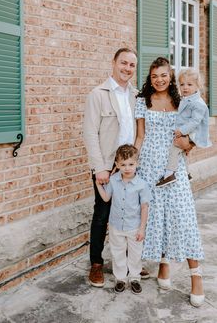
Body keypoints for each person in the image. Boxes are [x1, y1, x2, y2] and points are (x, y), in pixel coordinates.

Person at [134, 57, 205, 307]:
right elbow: (140, 136)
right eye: (154, 76)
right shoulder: (142, 101)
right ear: (149, 78)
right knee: (157, 217)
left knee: (182, 217)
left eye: (163, 75)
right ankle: (163, 264)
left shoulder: (183, 101)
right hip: (149, 168)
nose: (159, 80)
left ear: (170, 76)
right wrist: (132, 165)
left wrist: (190, 144)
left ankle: (196, 277)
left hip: (174, 168)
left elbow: (197, 128)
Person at [83, 48, 149, 287]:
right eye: (124, 63)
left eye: (132, 65)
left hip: (129, 164)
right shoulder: (98, 94)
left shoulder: (136, 95)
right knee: (102, 214)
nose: (127, 68)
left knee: (131, 212)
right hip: (108, 166)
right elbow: (90, 133)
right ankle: (97, 265)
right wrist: (99, 167)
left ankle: (132, 265)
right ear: (113, 62)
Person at [96, 144, 150, 294]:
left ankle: (134, 278)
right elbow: (106, 198)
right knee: (117, 252)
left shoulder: (141, 184)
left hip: (134, 226)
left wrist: (142, 228)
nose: (127, 168)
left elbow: (145, 207)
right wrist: (98, 185)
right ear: (117, 165)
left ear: (137, 163)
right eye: (123, 164)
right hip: (116, 225)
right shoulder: (113, 180)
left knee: (135, 254)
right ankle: (120, 279)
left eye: (131, 164)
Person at [156, 68, 212, 187]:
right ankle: (187, 172)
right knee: (183, 152)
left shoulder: (198, 103)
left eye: (189, 84)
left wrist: (181, 131)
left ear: (198, 86)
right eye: (182, 84)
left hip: (195, 133)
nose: (185, 87)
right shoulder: (187, 99)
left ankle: (169, 173)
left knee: (175, 147)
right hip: (189, 131)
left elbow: (195, 121)